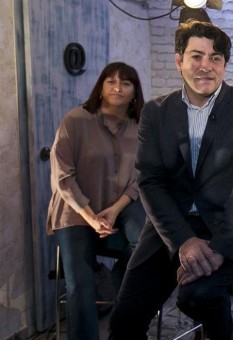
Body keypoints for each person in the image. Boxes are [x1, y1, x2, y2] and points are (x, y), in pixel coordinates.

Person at [108, 20, 233, 339]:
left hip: (227, 227)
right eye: (196, 56)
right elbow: (150, 181)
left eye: (215, 58)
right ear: (178, 60)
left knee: (198, 296)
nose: (205, 66)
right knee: (123, 323)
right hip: (170, 226)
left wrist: (220, 248)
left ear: (224, 65)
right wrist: (183, 240)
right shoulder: (156, 111)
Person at [46, 61, 146, 340]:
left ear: (134, 91)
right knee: (80, 285)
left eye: (126, 83)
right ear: (100, 88)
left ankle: (120, 310)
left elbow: (140, 177)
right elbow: (62, 176)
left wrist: (114, 211)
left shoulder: (141, 127)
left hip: (120, 207)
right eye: (111, 81)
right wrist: (91, 217)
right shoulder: (76, 120)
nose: (118, 87)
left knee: (148, 244)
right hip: (75, 211)